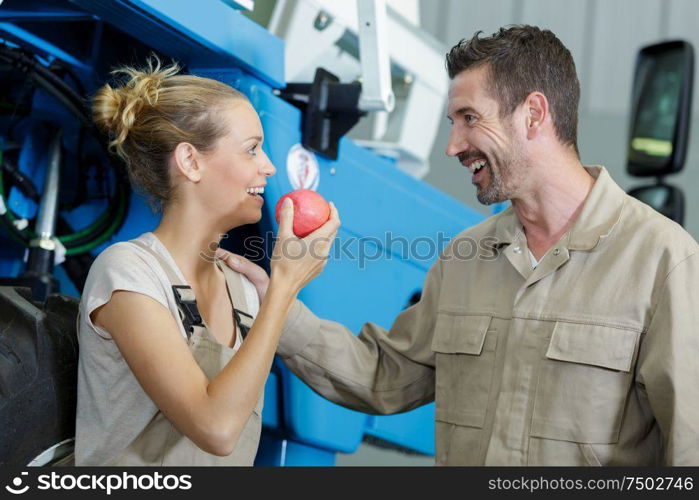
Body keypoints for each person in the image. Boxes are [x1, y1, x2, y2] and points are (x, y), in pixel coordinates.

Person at [224, 25, 699, 465]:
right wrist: (277, 307)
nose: (453, 145)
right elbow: (383, 375)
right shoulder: (464, 259)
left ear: (533, 114)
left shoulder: (662, 260)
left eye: (469, 118)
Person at [73, 59, 340, 466]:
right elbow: (215, 428)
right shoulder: (128, 272)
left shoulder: (244, 292)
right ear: (191, 161)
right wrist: (284, 287)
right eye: (252, 148)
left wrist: (273, 294)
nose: (268, 166)